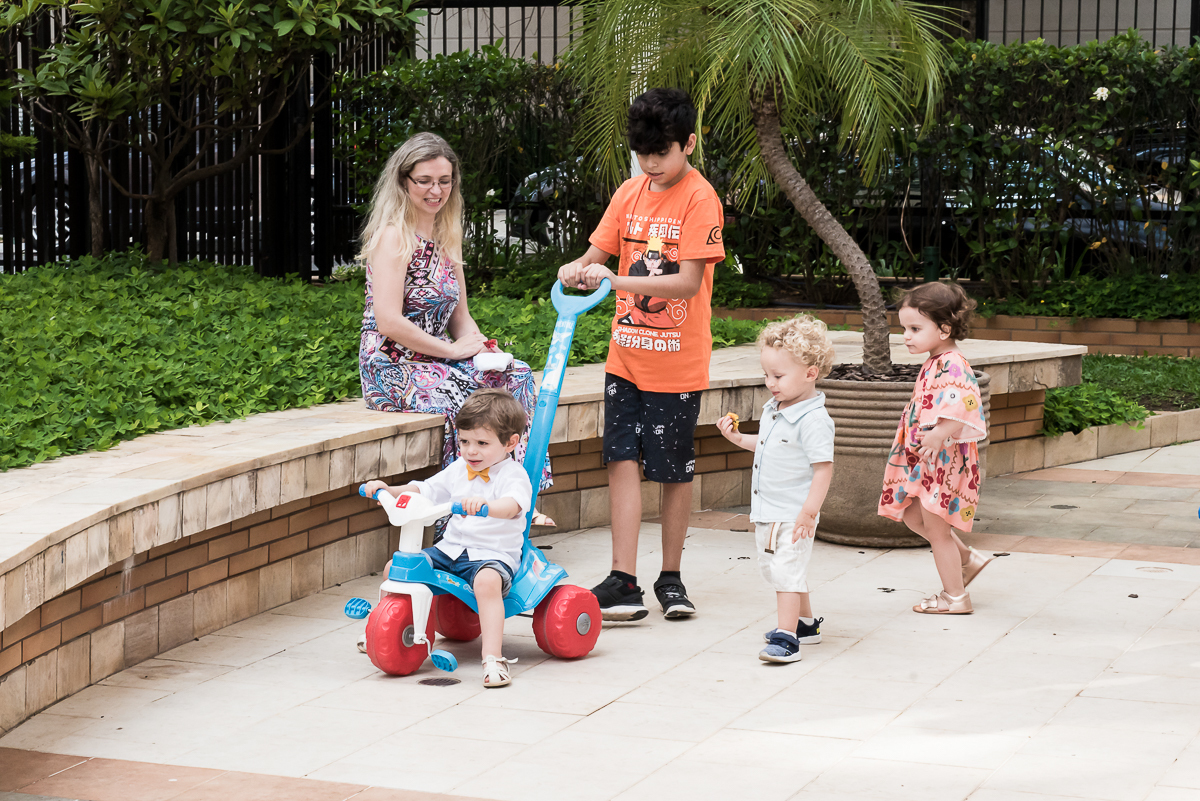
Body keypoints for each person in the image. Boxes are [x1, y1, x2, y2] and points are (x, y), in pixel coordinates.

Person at [557, 88, 726, 621]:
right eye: (643, 153)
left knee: (672, 470)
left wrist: (616, 278)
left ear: (689, 144)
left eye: (663, 152)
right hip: (624, 357)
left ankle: (671, 578)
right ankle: (623, 578)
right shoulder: (629, 193)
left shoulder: (701, 199)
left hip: (676, 360)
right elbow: (596, 255)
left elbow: (688, 281)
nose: (652, 164)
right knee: (621, 461)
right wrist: (577, 269)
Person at [358, 132, 551, 500]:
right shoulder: (393, 237)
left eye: (444, 181)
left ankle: (519, 500)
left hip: (436, 358)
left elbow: (460, 317)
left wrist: (482, 350)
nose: (436, 190)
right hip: (390, 364)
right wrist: (452, 352)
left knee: (517, 376)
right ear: (403, 181)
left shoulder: (446, 235)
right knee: (462, 399)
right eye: (425, 181)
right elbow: (388, 321)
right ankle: (456, 517)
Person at [363, 388, 531, 688]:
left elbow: (512, 507)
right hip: (451, 550)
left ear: (510, 443)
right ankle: (383, 630)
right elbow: (425, 489)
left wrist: (486, 506)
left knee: (486, 583)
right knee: (396, 568)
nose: (471, 451)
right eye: (464, 441)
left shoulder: (513, 475)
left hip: (492, 554)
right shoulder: (459, 469)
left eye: (482, 443)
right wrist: (389, 490)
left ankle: (493, 657)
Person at [716, 316, 835, 663]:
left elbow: (823, 469)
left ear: (810, 373)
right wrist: (738, 438)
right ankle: (806, 624)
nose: (770, 383)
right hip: (769, 509)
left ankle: (787, 638)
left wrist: (808, 512)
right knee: (782, 570)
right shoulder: (776, 408)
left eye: (778, 376)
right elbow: (769, 445)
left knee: (785, 571)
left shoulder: (813, 420)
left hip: (793, 511)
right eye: (767, 375)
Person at [877, 282, 991, 615]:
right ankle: (966, 560)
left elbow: (964, 406)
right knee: (913, 515)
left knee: (937, 529)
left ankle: (955, 597)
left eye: (915, 328)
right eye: (904, 329)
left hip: (940, 461)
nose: (906, 336)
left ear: (944, 328)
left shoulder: (952, 364)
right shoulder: (936, 360)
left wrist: (938, 434)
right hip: (926, 459)